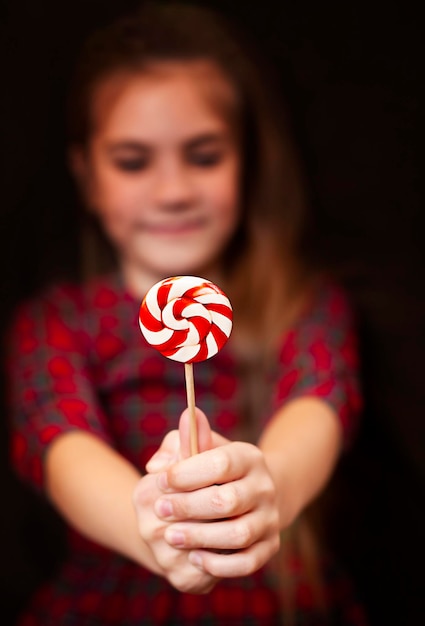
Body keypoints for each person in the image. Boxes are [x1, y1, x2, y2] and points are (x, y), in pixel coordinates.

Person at [7, 2, 367, 625]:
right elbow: (60, 445)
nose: (173, 190)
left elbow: (321, 402)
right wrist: (152, 523)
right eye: (133, 161)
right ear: (87, 177)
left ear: (245, 162)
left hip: (279, 602)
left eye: (203, 156)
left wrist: (266, 488)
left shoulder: (302, 304)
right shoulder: (58, 323)